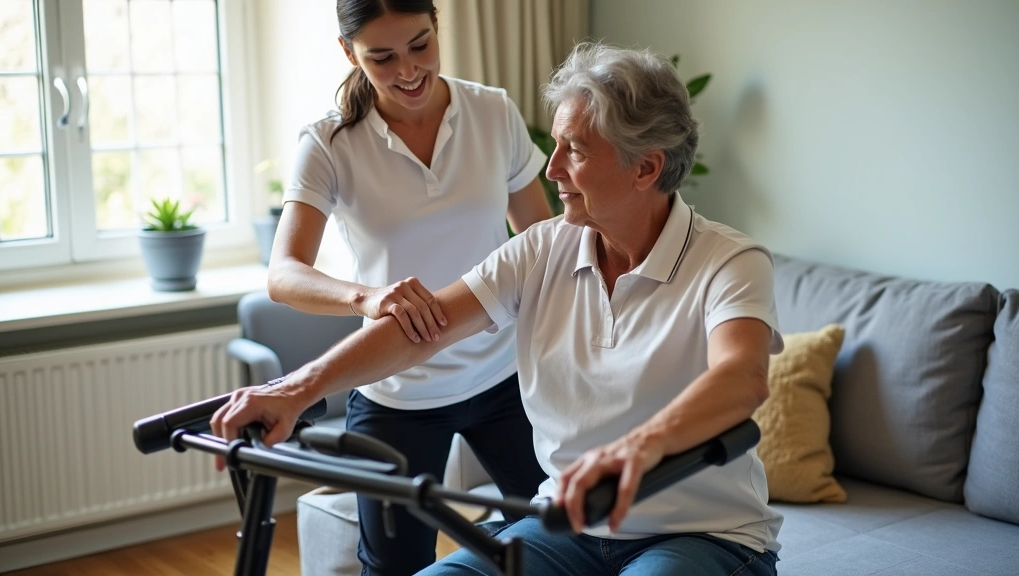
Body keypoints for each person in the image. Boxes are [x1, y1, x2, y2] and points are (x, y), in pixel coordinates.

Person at [214, 41, 783, 575]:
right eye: (555, 145)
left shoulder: (729, 260)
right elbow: (422, 329)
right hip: (567, 526)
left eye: (575, 150)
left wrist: (639, 445)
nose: (553, 167)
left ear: (645, 167)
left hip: (703, 534)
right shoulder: (540, 247)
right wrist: (293, 390)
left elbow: (742, 375)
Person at [253, 0, 553, 573]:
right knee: (393, 567)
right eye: (382, 57)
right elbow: (283, 274)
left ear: (437, 26)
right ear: (349, 53)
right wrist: (366, 297)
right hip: (396, 393)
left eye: (420, 45)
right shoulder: (328, 142)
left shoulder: (492, 111)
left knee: (557, 537)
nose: (409, 70)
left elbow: (541, 239)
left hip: (505, 374)